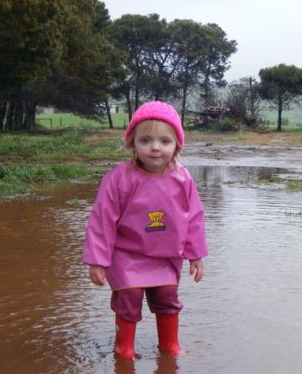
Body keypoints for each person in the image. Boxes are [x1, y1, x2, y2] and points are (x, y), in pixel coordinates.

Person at [82, 101, 208, 359]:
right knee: (128, 299)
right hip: (126, 255)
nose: (155, 147)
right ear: (132, 144)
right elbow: (102, 220)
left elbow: (193, 217)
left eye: (165, 141)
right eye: (146, 140)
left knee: (167, 297)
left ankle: (169, 346)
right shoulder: (119, 179)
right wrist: (97, 260)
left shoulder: (183, 179)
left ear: (177, 146)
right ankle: (124, 348)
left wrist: (196, 255)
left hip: (165, 256)